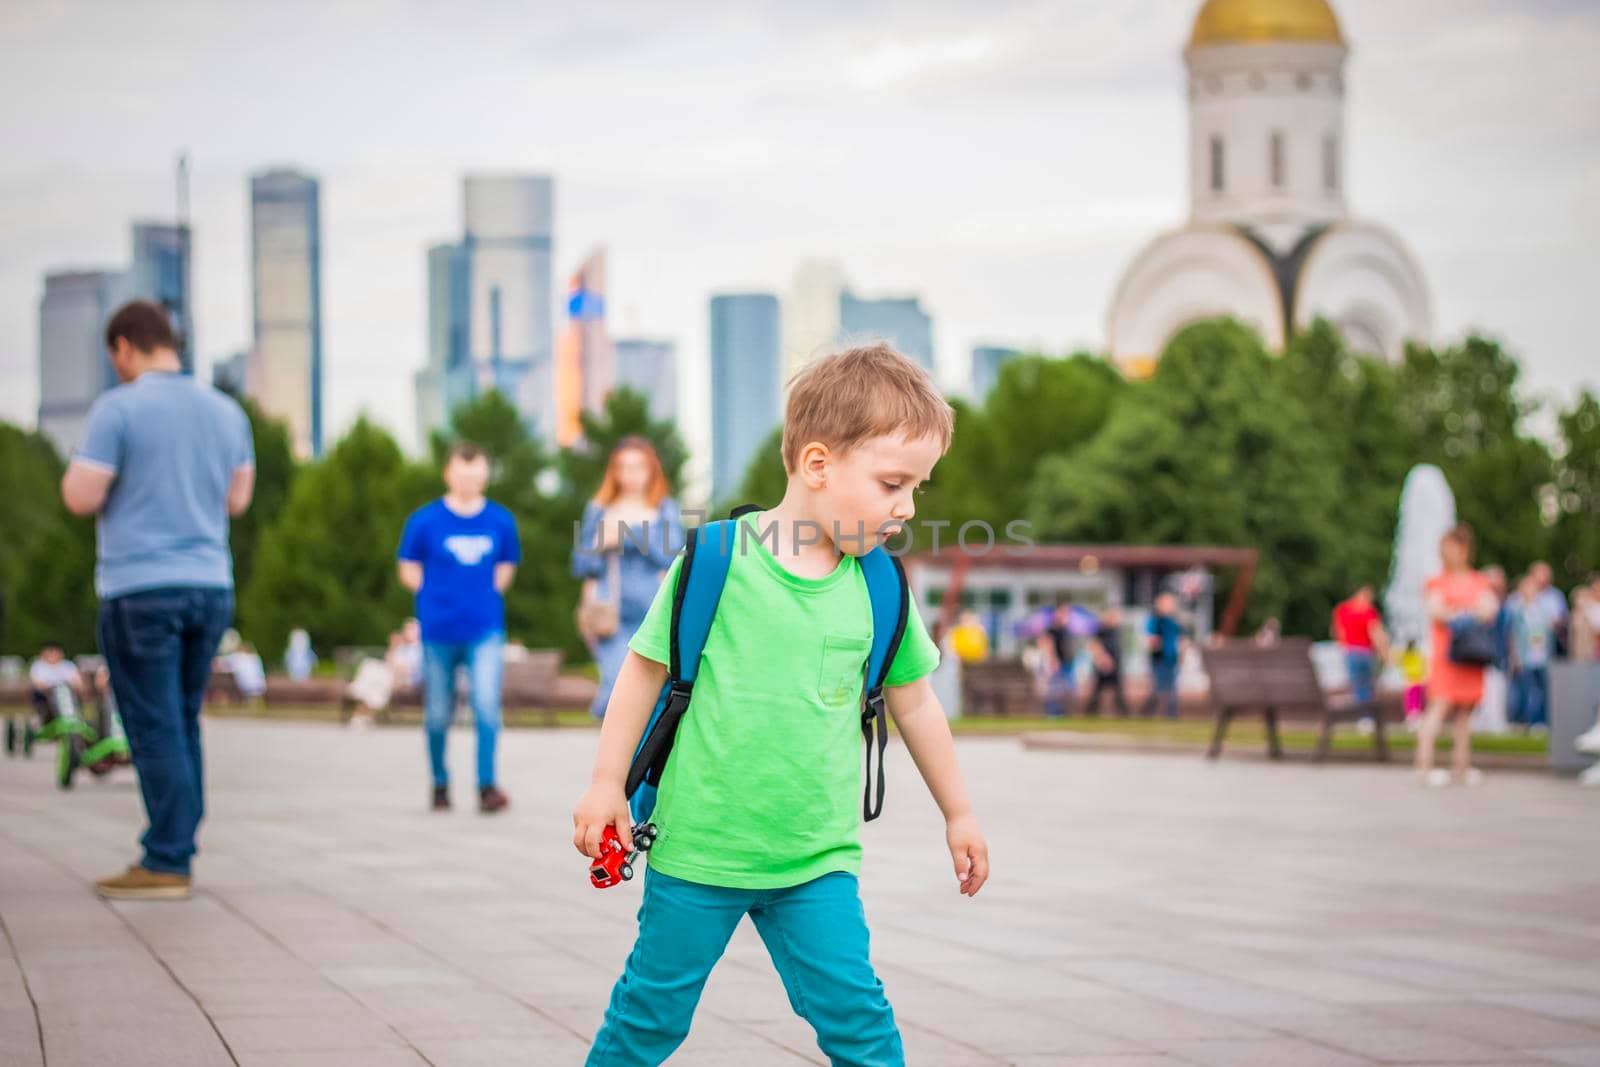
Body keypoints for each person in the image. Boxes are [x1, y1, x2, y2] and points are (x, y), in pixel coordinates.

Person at [571, 343, 988, 1067]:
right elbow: (641, 673)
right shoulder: (715, 560)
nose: (909, 506)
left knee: (862, 1024)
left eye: (918, 487)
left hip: (815, 860)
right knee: (648, 1019)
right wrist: (607, 783)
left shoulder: (879, 585)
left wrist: (960, 812)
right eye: (893, 483)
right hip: (698, 849)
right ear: (819, 465)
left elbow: (915, 703)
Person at [60, 300, 254, 900]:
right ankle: (178, 845)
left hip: (141, 586)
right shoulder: (226, 412)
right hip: (210, 584)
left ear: (123, 347)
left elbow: (81, 496)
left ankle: (166, 859)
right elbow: (237, 500)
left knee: (152, 724)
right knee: (181, 718)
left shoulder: (118, 409)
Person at [397, 441, 520, 813]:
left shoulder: (500, 520)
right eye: (462, 473)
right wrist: (433, 595)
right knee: (437, 712)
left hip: (484, 628)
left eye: (476, 472)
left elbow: (505, 567)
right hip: (437, 630)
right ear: (449, 473)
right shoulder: (424, 521)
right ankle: (439, 782)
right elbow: (407, 565)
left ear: (485, 475)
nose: (469, 480)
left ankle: (487, 786)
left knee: (486, 705)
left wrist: (481, 595)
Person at [571, 436, 685, 719]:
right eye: (624, 467)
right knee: (614, 687)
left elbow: (672, 557)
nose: (631, 474)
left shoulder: (664, 509)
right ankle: (616, 757)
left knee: (651, 693)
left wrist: (627, 535)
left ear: (651, 470)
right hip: (610, 613)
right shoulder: (599, 510)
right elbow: (582, 564)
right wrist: (600, 543)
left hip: (653, 610)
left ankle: (637, 759)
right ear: (615, 472)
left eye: (639, 467)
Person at [1415, 525, 1499, 787]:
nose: (1447, 553)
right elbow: (1436, 611)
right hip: (1447, 657)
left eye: (1452, 547)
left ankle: (1461, 767)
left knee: (1465, 714)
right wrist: (1468, 612)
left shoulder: (1478, 580)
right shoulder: (1437, 581)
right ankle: (1424, 768)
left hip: (1471, 657)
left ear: (1464, 549)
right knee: (1438, 709)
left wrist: (1457, 612)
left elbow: (1489, 610)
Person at [1507, 572, 1557, 732]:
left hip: (1542, 657)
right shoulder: (1517, 610)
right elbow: (1513, 636)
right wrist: (1515, 657)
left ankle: (1540, 722)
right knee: (1525, 691)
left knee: (1543, 692)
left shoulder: (1542, 610)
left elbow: (1548, 634)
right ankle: (1523, 721)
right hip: (1525, 657)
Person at [1332, 585, 1388, 707]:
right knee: (1368, 684)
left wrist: (1343, 647)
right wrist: (1385, 655)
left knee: (1357, 685)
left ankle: (1362, 716)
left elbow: (1337, 631)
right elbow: (1377, 634)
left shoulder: (1342, 609)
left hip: (1350, 652)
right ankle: (1367, 715)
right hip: (1365, 653)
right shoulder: (1368, 611)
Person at [1141, 593, 1183, 719]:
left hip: (1172, 659)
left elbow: (1179, 638)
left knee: (1171, 689)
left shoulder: (1173, 621)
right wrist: (1154, 643)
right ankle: (1148, 713)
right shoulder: (1156, 620)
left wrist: (1181, 650)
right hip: (1159, 659)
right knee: (1159, 688)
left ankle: (1170, 714)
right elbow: (1149, 638)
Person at [1084, 607, 1128, 717]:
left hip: (1115, 667)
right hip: (1104, 667)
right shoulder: (1101, 630)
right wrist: (1103, 659)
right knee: (1097, 693)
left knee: (1118, 693)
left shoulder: (1117, 630)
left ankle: (1124, 714)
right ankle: (1089, 714)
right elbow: (1093, 645)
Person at [28, 641, 86, 722]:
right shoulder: (38, 666)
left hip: (67, 694)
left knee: (65, 695)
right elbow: (37, 684)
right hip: (46, 697)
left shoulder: (68, 665)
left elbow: (78, 683)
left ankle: (71, 719)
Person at [1041, 601, 1076, 718]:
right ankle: (1052, 714)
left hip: (1068, 664)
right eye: (1064, 612)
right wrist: (1053, 659)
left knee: (1068, 690)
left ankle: (1064, 713)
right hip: (1057, 664)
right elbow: (1046, 644)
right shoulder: (1052, 629)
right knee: (1054, 691)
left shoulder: (1066, 629)